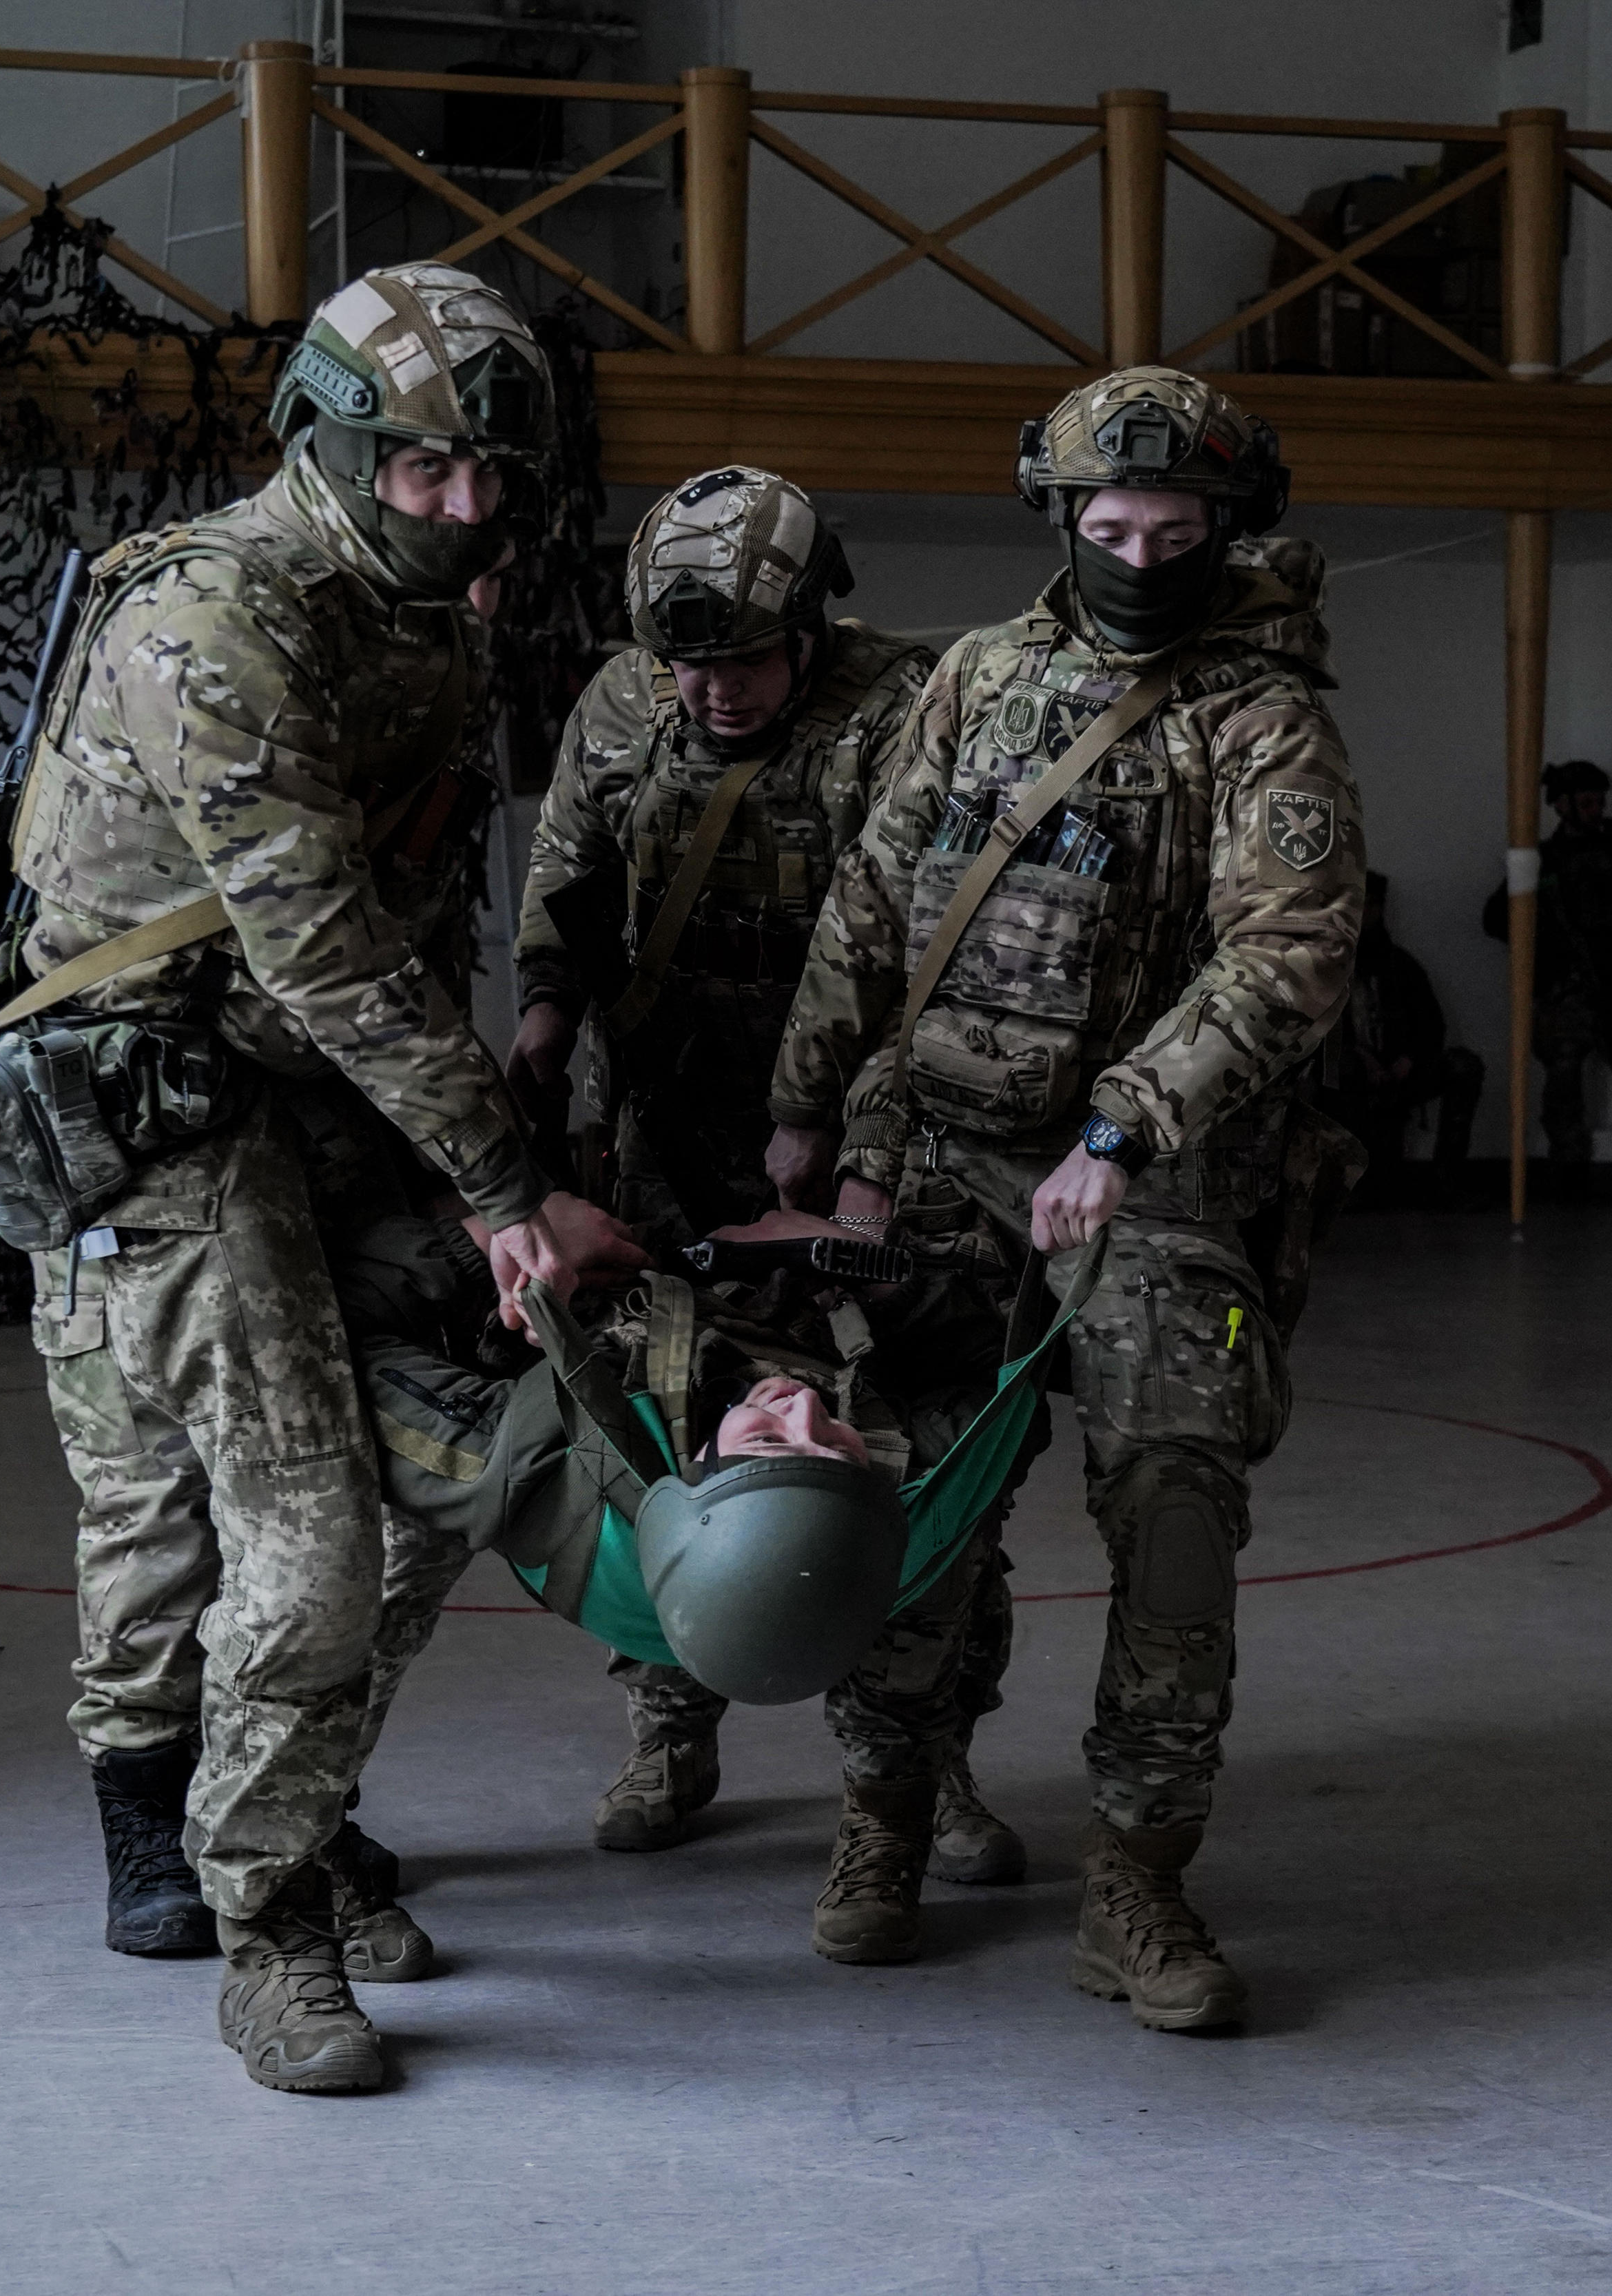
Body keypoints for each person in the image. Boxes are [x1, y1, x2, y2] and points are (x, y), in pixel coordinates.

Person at [8, 261, 625, 2097]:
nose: (466, 506)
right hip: (166, 1112)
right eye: (426, 469)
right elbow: (326, 950)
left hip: (323, 1097)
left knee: (447, 1454)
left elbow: (415, 932)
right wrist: (502, 1185)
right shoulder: (211, 618)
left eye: (492, 476)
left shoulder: (423, 616)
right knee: (291, 1518)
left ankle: (285, 1798)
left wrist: (465, 1183)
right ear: (333, 447)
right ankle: (267, 1928)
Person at [766, 366, 1367, 2034]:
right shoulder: (979, 676)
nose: (1141, 557)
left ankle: (1138, 1882)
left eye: (1176, 531)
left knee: (1173, 1514)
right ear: (1060, 519)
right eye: (1112, 527)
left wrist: (1123, 1127)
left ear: (1223, 527)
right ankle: (884, 1813)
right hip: (945, 1159)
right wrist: (806, 1105)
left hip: (1151, 1183)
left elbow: (1290, 950)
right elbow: (874, 892)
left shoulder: (1261, 717)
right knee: (905, 1499)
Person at [500, 469, 1021, 1878]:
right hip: (663, 1133)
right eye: (689, 665)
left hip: (872, 1131)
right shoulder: (620, 705)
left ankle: (921, 1759)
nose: (713, 691)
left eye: (743, 660)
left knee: (911, 1441)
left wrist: (862, 1159)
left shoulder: (907, 709)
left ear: (809, 624)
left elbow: (942, 948)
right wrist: (543, 1018)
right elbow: (564, 874)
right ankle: (670, 1723)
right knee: (666, 1429)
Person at [326, 1197, 1046, 1965]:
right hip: (677, 1216)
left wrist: (477, 1242)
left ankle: (892, 1813)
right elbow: (1006, 1367)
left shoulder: (530, 1467)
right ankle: (678, 1741)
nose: (803, 1407)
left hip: (631, 1275)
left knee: (906, 1571)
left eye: (772, 1439)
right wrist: (875, 1276)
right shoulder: (917, 1468)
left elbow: (333, 1339)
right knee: (913, 1526)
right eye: (824, 1445)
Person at [1480, 759, 1612, 1199]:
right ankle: (1570, 1168)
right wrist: (1546, 938)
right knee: (1563, 1083)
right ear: (1562, 806)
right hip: (1565, 990)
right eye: (1586, 803)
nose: (1596, 811)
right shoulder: (1541, 860)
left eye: (1599, 802)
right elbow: (1496, 919)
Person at [1321, 871, 1480, 1206]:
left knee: (1464, 1066)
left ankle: (1447, 1180)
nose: (1366, 914)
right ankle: (1350, 1182)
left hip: (1401, 1071)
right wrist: (1360, 1058)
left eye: (1372, 906)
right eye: (1360, 906)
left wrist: (1410, 1059)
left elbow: (1431, 1025)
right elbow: (1318, 1030)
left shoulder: (1402, 966)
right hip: (1352, 1075)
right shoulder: (1328, 966)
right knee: (1341, 1069)